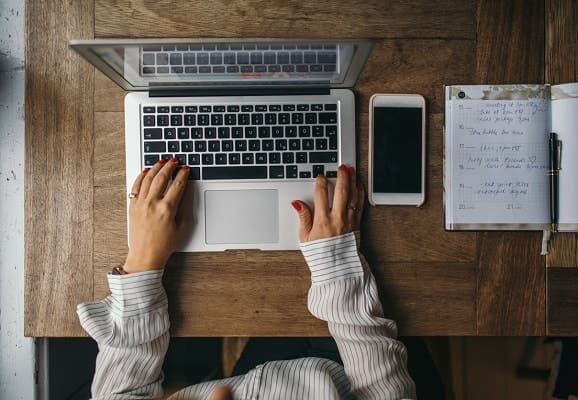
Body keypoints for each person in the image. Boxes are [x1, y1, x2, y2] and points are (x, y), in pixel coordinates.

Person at [77, 157, 417, 399]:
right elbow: (383, 392)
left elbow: (121, 392)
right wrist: (335, 260)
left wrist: (143, 260)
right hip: (348, 377)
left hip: (260, 374)